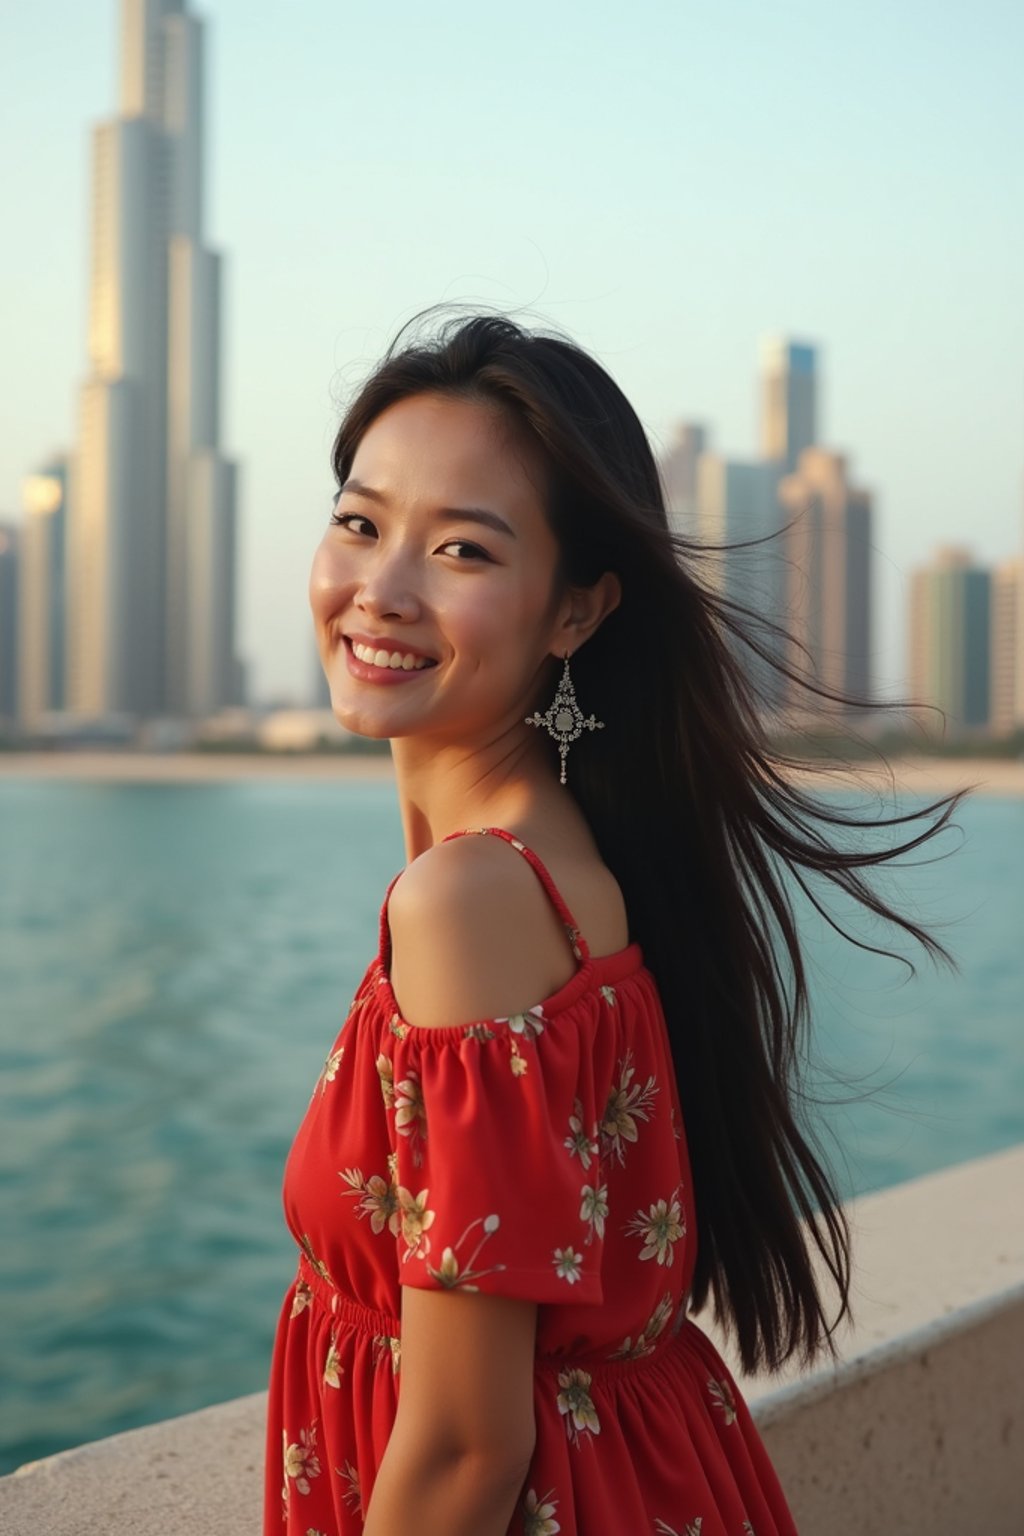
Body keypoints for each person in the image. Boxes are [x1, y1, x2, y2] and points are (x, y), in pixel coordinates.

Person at [263, 307, 964, 1535]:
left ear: (576, 613)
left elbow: (469, 1447)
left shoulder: (471, 899)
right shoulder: (564, 861)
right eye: (360, 523)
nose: (380, 590)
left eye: (463, 552)